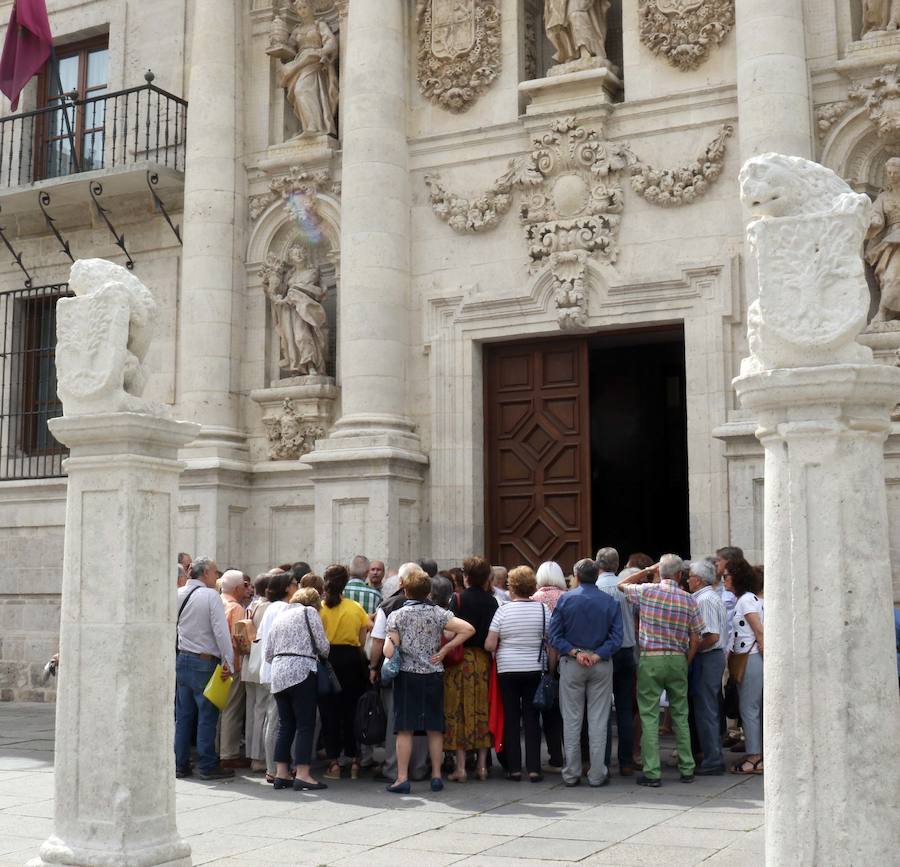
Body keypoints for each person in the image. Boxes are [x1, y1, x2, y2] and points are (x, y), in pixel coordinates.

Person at [384, 567, 475, 793]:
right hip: (433, 673)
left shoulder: (397, 615)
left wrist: (392, 642)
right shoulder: (438, 613)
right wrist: (445, 649)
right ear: (428, 592)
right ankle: (436, 775)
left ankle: (402, 778)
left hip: (407, 675)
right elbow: (468, 629)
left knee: (405, 729)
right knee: (434, 727)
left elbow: (388, 651)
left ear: (406, 591)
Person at [619, 554, 702, 787]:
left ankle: (652, 771)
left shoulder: (647, 591)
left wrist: (647, 570)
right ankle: (687, 768)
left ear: (659, 572)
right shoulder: (689, 599)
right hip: (677, 658)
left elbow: (621, 585)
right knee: (681, 715)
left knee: (649, 715)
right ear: (680, 575)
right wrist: (686, 660)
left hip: (651, 658)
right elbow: (696, 636)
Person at [549, 557, 623, 788]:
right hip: (600, 663)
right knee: (598, 720)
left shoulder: (565, 599)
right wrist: (598, 655)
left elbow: (554, 635)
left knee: (571, 720)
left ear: (576, 576)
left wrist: (575, 652)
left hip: (573, 663)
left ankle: (571, 773)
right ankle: (597, 774)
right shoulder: (609, 601)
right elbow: (617, 638)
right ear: (597, 575)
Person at [485, 565, 553, 782]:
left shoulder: (503, 611)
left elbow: (490, 644)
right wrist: (551, 668)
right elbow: (551, 642)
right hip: (535, 668)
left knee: (511, 717)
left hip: (507, 669)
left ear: (512, 587)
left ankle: (514, 768)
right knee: (532, 718)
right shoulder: (543, 610)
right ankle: (534, 768)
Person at [174, 556, 235, 780]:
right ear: (206, 573)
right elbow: (220, 631)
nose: (217, 576)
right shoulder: (210, 596)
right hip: (205, 661)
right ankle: (207, 765)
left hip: (183, 658)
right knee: (207, 715)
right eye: (215, 571)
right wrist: (228, 660)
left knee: (183, 715)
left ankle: (180, 764)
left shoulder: (178, 594)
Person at [369, 563, 430, 782]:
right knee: (421, 719)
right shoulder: (432, 606)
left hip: (396, 671)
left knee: (396, 720)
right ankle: (419, 767)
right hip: (425, 670)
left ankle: (393, 768)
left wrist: (373, 667)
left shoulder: (388, 606)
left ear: (401, 582)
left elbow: (378, 641)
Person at [264, 589, 329, 791]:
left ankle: (281, 773)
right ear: (314, 602)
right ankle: (303, 774)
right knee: (305, 725)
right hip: (302, 672)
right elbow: (323, 647)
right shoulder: (310, 612)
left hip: (278, 674)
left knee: (285, 725)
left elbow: (268, 653)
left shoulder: (280, 616)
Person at [445, 556, 498, 783]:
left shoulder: (457, 599)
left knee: (458, 709)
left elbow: (448, 632)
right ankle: (482, 765)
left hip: (460, 660)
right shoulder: (492, 602)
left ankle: (461, 767)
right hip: (483, 661)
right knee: (481, 709)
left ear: (466, 577)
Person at [318, 564, 369, 780]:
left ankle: (334, 763)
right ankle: (355, 759)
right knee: (352, 712)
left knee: (329, 712)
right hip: (352, 661)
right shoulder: (356, 608)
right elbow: (362, 640)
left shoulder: (319, 608)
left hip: (328, 660)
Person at [594, 547, 638, 776]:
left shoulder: (596, 588)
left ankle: (603, 761)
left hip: (604, 652)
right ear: (617, 564)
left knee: (602, 709)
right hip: (627, 650)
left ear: (597, 564)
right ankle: (626, 761)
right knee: (624, 709)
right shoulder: (626, 587)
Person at [686, 559, 728, 775]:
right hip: (711, 657)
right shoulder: (708, 597)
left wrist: (691, 651)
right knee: (706, 707)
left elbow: (711, 637)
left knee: (706, 709)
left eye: (690, 577)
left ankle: (713, 760)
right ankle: (711, 755)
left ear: (699, 580)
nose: (687, 580)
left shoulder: (705, 600)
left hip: (708, 657)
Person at [725, 558, 765, 775]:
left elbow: (759, 631)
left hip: (750, 658)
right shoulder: (748, 599)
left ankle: (755, 756)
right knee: (751, 708)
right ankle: (755, 752)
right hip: (750, 657)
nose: (724, 579)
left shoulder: (746, 600)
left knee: (749, 708)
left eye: (726, 576)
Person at [259, 570, 299, 782]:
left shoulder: (270, 608)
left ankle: (274, 766)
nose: (297, 586)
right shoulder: (285, 608)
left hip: (270, 668)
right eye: (294, 583)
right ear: (286, 587)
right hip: (279, 669)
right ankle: (274, 768)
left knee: (273, 719)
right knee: (277, 721)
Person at [531, 561, 566, 772]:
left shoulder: (534, 599)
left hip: (541, 661)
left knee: (549, 710)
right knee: (568, 710)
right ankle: (573, 754)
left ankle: (555, 756)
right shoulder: (567, 597)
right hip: (567, 658)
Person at [219, 570, 249, 768]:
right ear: (237, 588)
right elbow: (238, 640)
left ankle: (220, 750)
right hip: (232, 664)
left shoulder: (217, 602)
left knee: (220, 710)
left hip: (216, 662)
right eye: (245, 585)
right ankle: (228, 754)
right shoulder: (236, 608)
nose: (247, 588)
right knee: (232, 710)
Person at [242, 573, 272, 773]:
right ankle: (258, 756)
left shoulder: (251, 606)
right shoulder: (268, 607)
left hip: (249, 662)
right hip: (260, 663)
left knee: (252, 709)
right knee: (261, 709)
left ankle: (251, 753)